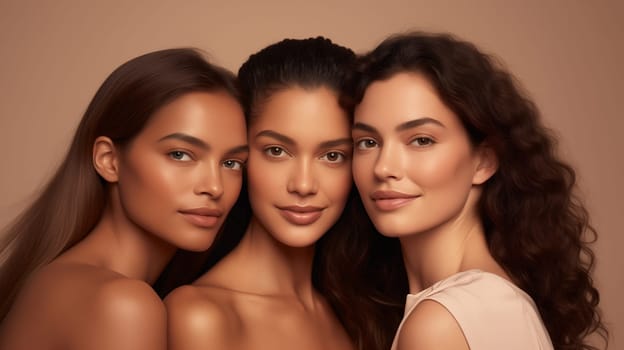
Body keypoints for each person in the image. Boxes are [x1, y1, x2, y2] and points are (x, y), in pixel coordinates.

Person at [348, 32, 608, 350]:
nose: (383, 167)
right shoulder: (491, 301)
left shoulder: (441, 323)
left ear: (483, 161)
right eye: (368, 142)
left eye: (421, 140)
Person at [0, 48, 248, 349]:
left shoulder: (63, 280)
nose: (215, 186)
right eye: (180, 154)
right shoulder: (122, 304)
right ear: (109, 160)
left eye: (232, 163)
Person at [165, 37, 402, 350]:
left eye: (332, 156)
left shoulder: (360, 309)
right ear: (242, 153)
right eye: (277, 151)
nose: (303, 185)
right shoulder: (201, 315)